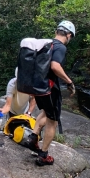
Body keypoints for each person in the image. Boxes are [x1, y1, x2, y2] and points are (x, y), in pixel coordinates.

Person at [24, 20, 76, 166]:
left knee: (46, 112)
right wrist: (69, 82)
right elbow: (55, 66)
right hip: (50, 89)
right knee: (52, 121)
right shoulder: (60, 47)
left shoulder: (46, 44)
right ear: (68, 35)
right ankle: (43, 155)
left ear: (56, 31)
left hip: (38, 87)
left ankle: (33, 138)